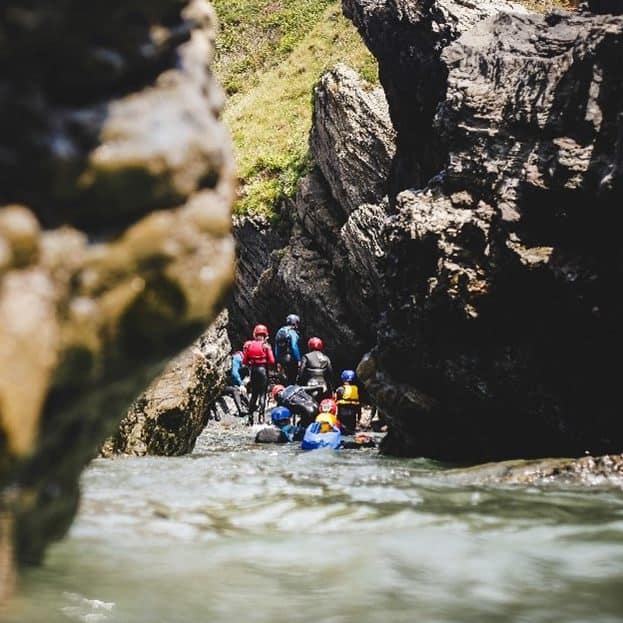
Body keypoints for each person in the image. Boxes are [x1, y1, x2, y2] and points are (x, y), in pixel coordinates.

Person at [243, 324, 275, 425]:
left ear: (255, 334)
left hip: (253, 370)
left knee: (254, 394)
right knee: (262, 394)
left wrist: (252, 363)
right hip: (263, 370)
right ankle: (261, 418)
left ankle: (250, 418)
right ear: (265, 334)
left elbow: (244, 361)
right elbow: (272, 361)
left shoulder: (249, 345)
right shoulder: (266, 346)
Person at [298, 337, 333, 401]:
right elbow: (330, 374)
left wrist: (298, 384)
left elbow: (301, 373)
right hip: (323, 387)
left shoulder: (306, 357)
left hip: (309, 387)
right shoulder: (326, 358)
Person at [274, 314, 301, 385]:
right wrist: (298, 359)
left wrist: (278, 361)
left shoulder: (279, 331)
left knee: (284, 380)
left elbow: (277, 348)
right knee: (292, 379)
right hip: (291, 359)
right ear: (295, 323)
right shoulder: (292, 332)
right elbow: (294, 346)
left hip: (282, 359)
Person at [222, 350, 249, 418]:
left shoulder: (240, 358)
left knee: (238, 389)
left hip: (228, 381)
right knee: (235, 390)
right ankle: (241, 410)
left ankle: (250, 405)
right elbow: (234, 373)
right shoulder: (237, 358)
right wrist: (240, 384)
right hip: (223, 385)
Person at [335, 369, 361, 434]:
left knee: (342, 430)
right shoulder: (356, 389)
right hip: (352, 415)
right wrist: (359, 416)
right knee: (351, 430)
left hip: (342, 415)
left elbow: (335, 401)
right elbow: (358, 405)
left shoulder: (340, 389)